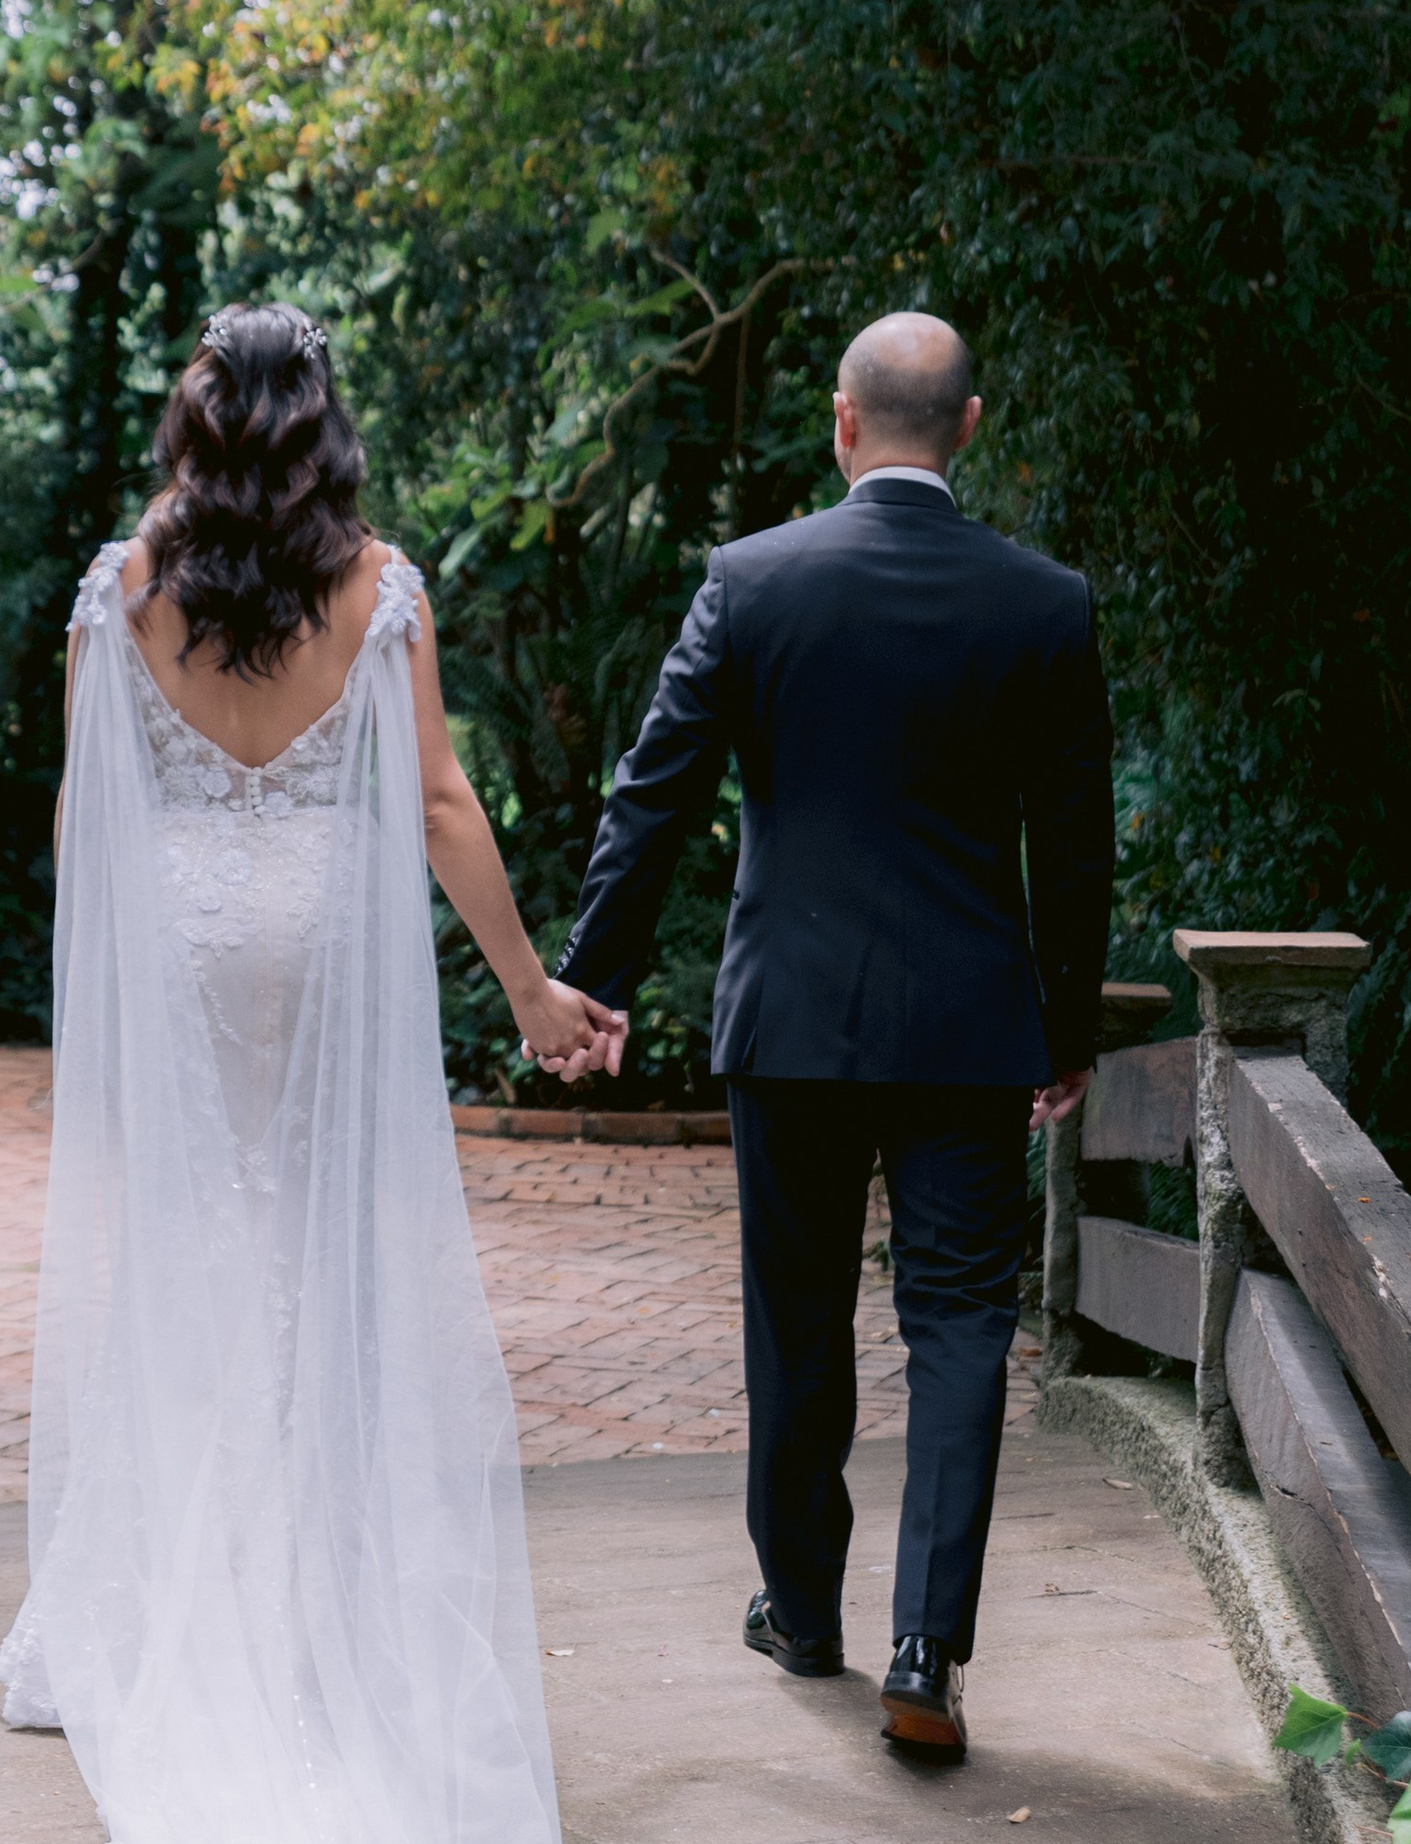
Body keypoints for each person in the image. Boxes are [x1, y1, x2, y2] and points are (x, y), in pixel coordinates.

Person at [0, 302, 625, 1844]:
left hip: (188, 955)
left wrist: (106, 1007)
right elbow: (438, 802)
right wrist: (533, 989)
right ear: (321, 424)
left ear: (195, 425)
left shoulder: (123, 586)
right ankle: (326, 1603)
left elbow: (88, 817)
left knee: (198, 1255)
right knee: (324, 1262)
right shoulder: (377, 584)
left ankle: (186, 1593)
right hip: (324, 955)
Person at [553, 312, 1113, 1756]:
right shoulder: (1043, 604)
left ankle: (803, 1611)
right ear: (970, 427)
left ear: (844, 425)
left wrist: (587, 983)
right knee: (961, 1331)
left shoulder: (752, 583)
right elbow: (1077, 842)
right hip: (970, 1026)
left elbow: (654, 795)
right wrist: (1064, 1026)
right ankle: (928, 1648)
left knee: (797, 1322)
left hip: (791, 1022)